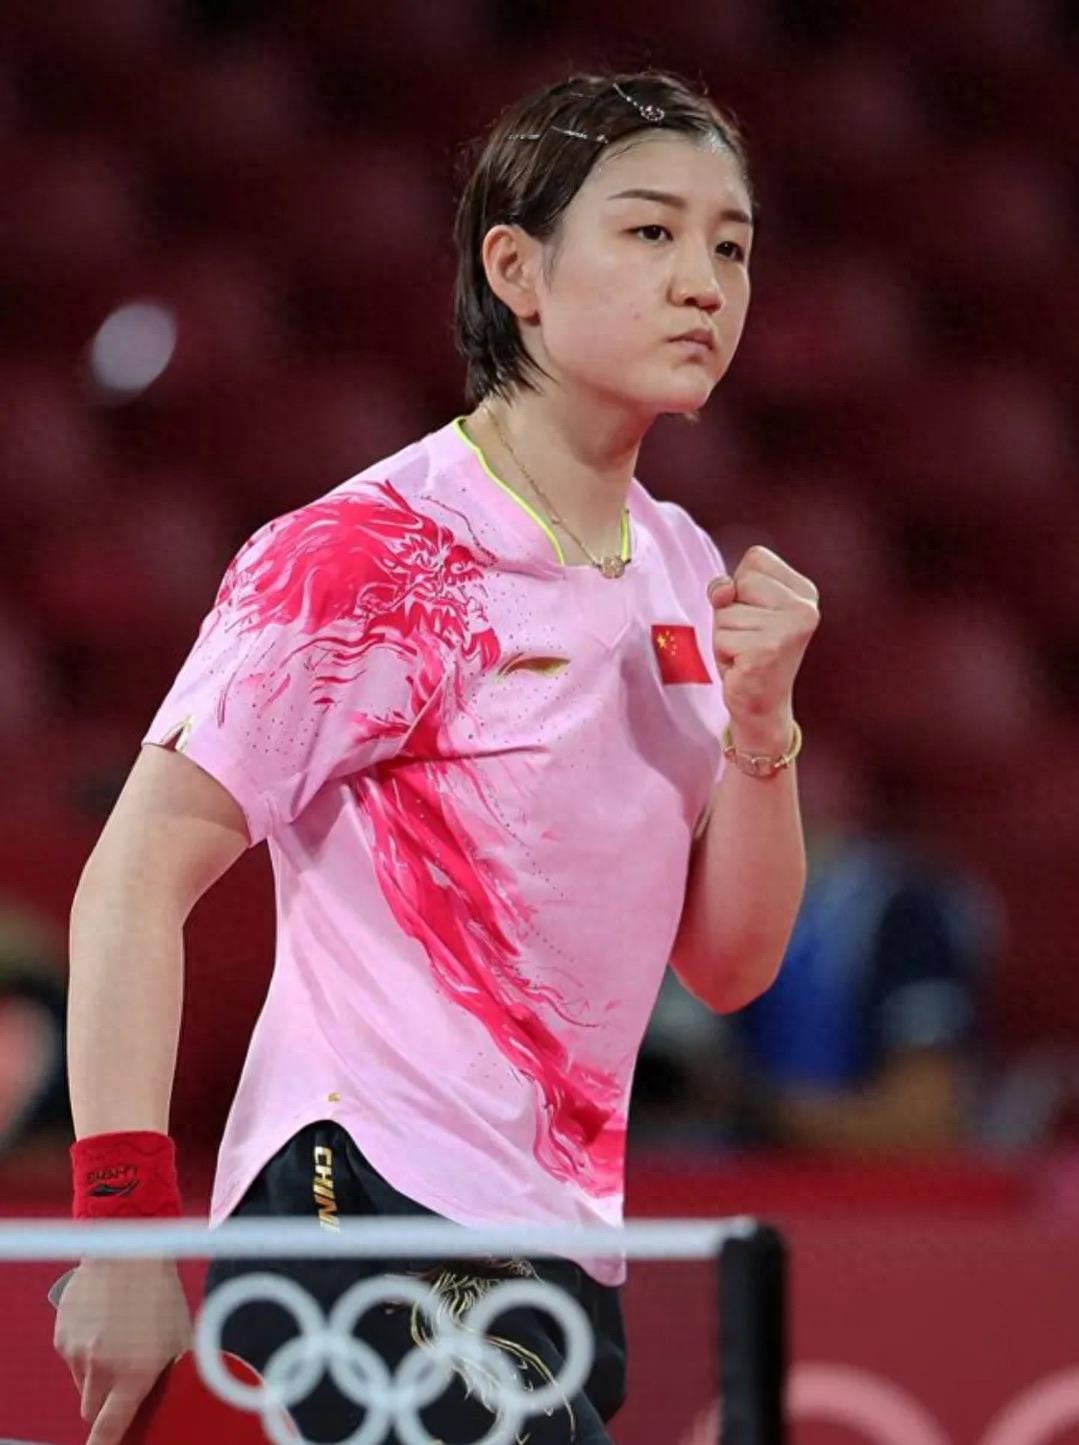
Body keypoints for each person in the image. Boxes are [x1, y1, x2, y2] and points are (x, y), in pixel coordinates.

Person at [55, 70, 820, 1444]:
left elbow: (729, 964)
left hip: (556, 1238)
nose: (703, 282)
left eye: (732, 243)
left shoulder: (681, 567)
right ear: (516, 270)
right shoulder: (370, 559)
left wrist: (765, 732)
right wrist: (120, 1231)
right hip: (363, 1193)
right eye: (651, 231)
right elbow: (132, 878)